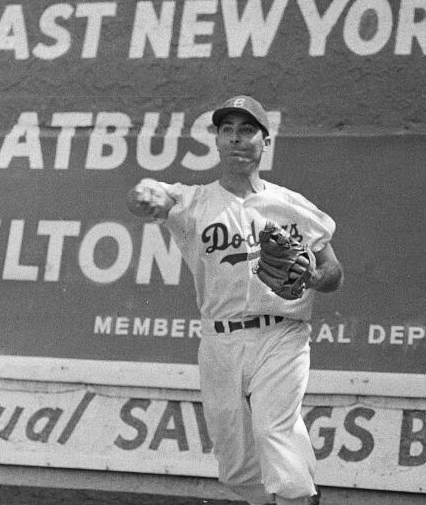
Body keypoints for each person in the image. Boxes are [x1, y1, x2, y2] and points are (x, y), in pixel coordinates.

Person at [127, 95, 343, 505]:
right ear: (218, 141)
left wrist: (314, 275)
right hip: (220, 341)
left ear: (264, 142)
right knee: (238, 468)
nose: (237, 139)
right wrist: (145, 193)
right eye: (228, 130)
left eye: (247, 131)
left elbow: (334, 273)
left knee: (274, 431)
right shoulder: (195, 201)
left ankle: (300, 498)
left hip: (281, 333)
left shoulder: (291, 205)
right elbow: (155, 195)